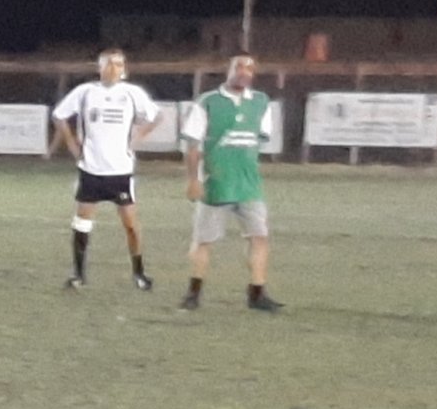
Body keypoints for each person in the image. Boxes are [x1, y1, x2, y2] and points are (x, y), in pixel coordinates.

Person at [51, 48, 161, 290]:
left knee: (131, 225)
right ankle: (78, 275)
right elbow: (59, 115)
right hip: (91, 170)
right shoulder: (85, 92)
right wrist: (72, 144)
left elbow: (155, 116)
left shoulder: (132, 93)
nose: (113, 68)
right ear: (99, 67)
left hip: (120, 172)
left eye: (118, 64)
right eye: (108, 63)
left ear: (124, 69)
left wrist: (137, 139)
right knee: (82, 223)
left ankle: (139, 273)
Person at [179, 53, 282, 311]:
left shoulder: (260, 102)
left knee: (259, 238)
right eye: (239, 67)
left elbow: (258, 139)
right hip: (216, 182)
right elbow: (193, 145)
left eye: (249, 68)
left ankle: (257, 293)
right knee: (204, 240)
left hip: (249, 184)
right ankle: (193, 293)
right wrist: (193, 180)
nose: (244, 72)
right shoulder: (208, 102)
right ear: (229, 70)